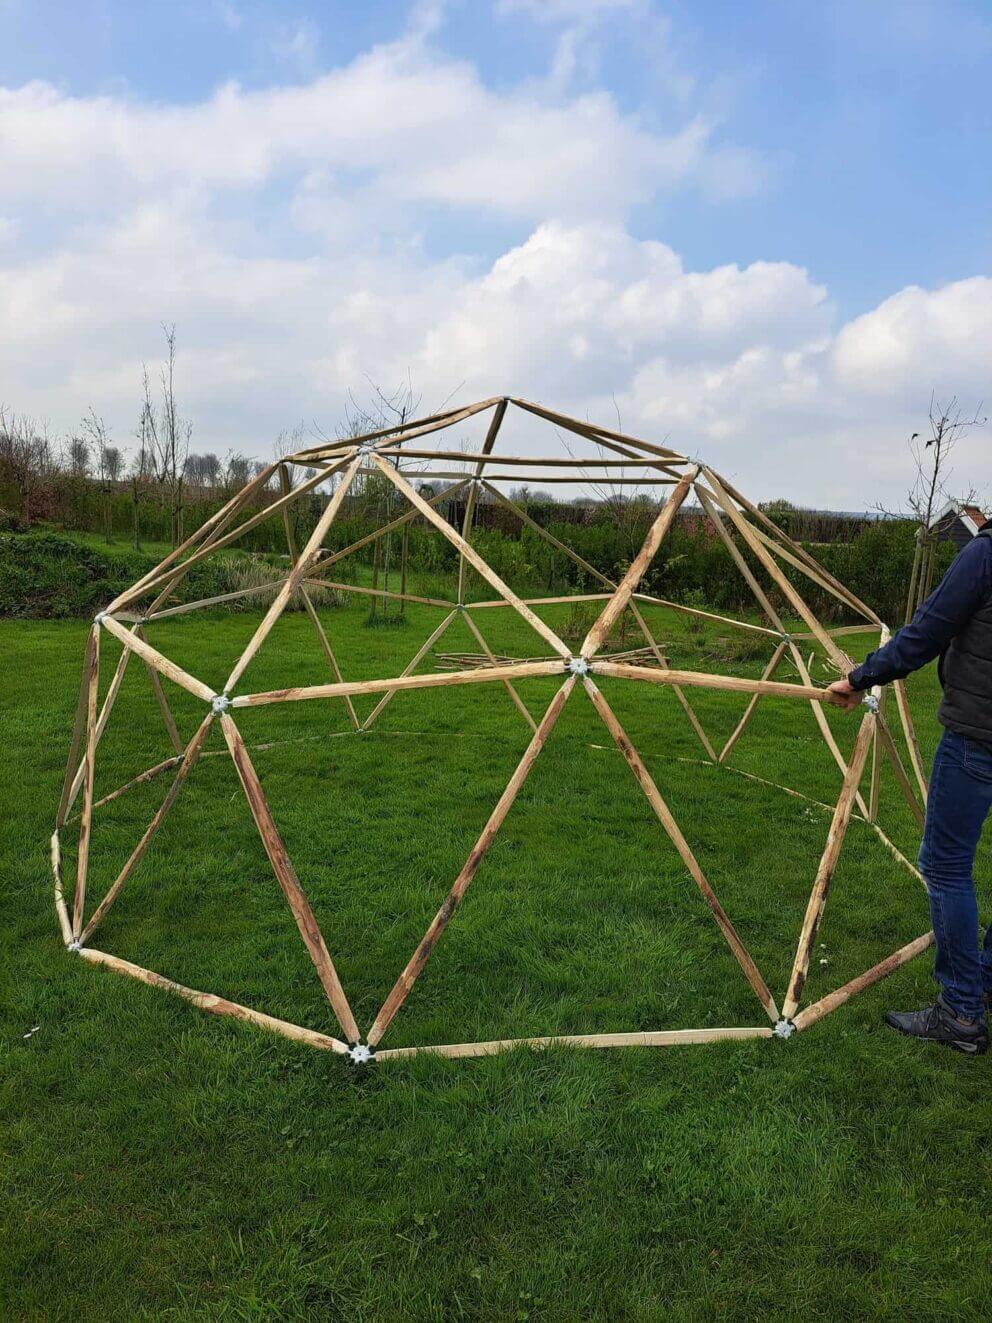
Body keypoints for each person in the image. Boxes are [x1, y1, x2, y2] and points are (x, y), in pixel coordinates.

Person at [827, 521, 992, 1055]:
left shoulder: (985, 555)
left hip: (979, 736)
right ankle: (983, 982)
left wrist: (859, 678)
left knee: (945, 864)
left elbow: (926, 633)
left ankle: (962, 1012)